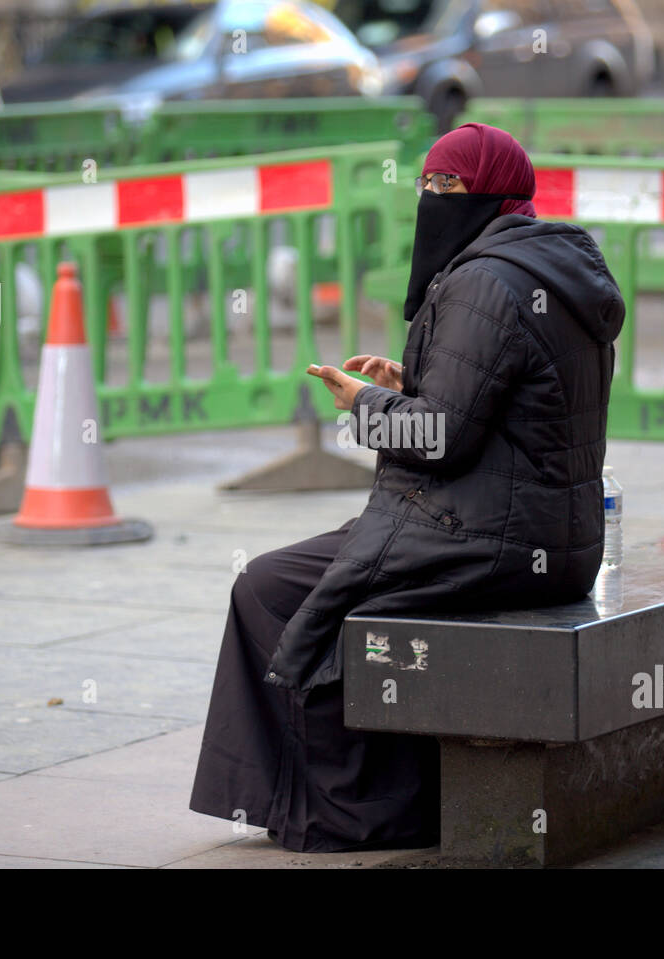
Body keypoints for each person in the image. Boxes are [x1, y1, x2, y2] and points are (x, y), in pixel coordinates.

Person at [188, 122, 626, 853]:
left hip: (484, 538)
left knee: (269, 590)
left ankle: (360, 808)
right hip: (553, 539)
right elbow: (505, 405)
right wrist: (408, 383)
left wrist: (360, 404)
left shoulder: (483, 282)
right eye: (425, 183)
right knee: (300, 583)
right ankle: (331, 797)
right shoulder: (550, 269)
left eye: (448, 185)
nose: (431, 197)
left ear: (490, 189)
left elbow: (441, 438)